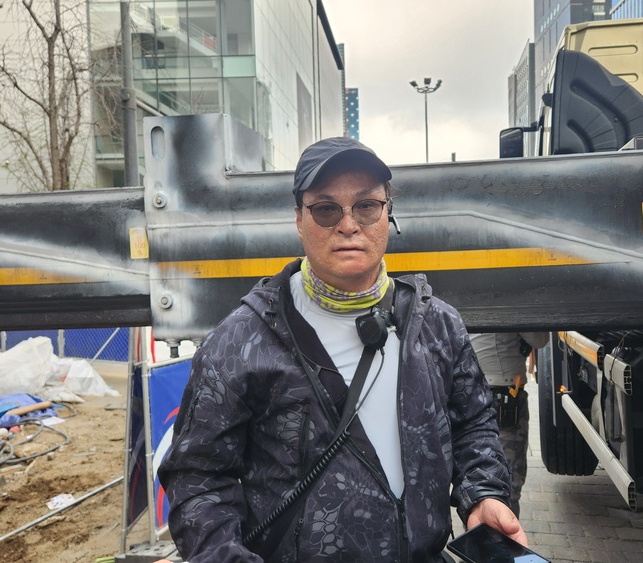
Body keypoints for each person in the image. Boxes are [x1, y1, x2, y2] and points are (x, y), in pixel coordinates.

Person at [158, 137, 527, 562]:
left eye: (366, 206)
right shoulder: (240, 342)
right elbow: (196, 477)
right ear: (299, 219)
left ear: (388, 213)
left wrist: (484, 495)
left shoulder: (438, 325)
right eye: (326, 209)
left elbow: (472, 425)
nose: (349, 225)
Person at [468, 332, 550, 516]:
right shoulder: (514, 310)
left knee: (478, 476)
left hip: (473, 390)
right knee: (508, 480)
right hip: (503, 396)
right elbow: (540, 339)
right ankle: (500, 528)